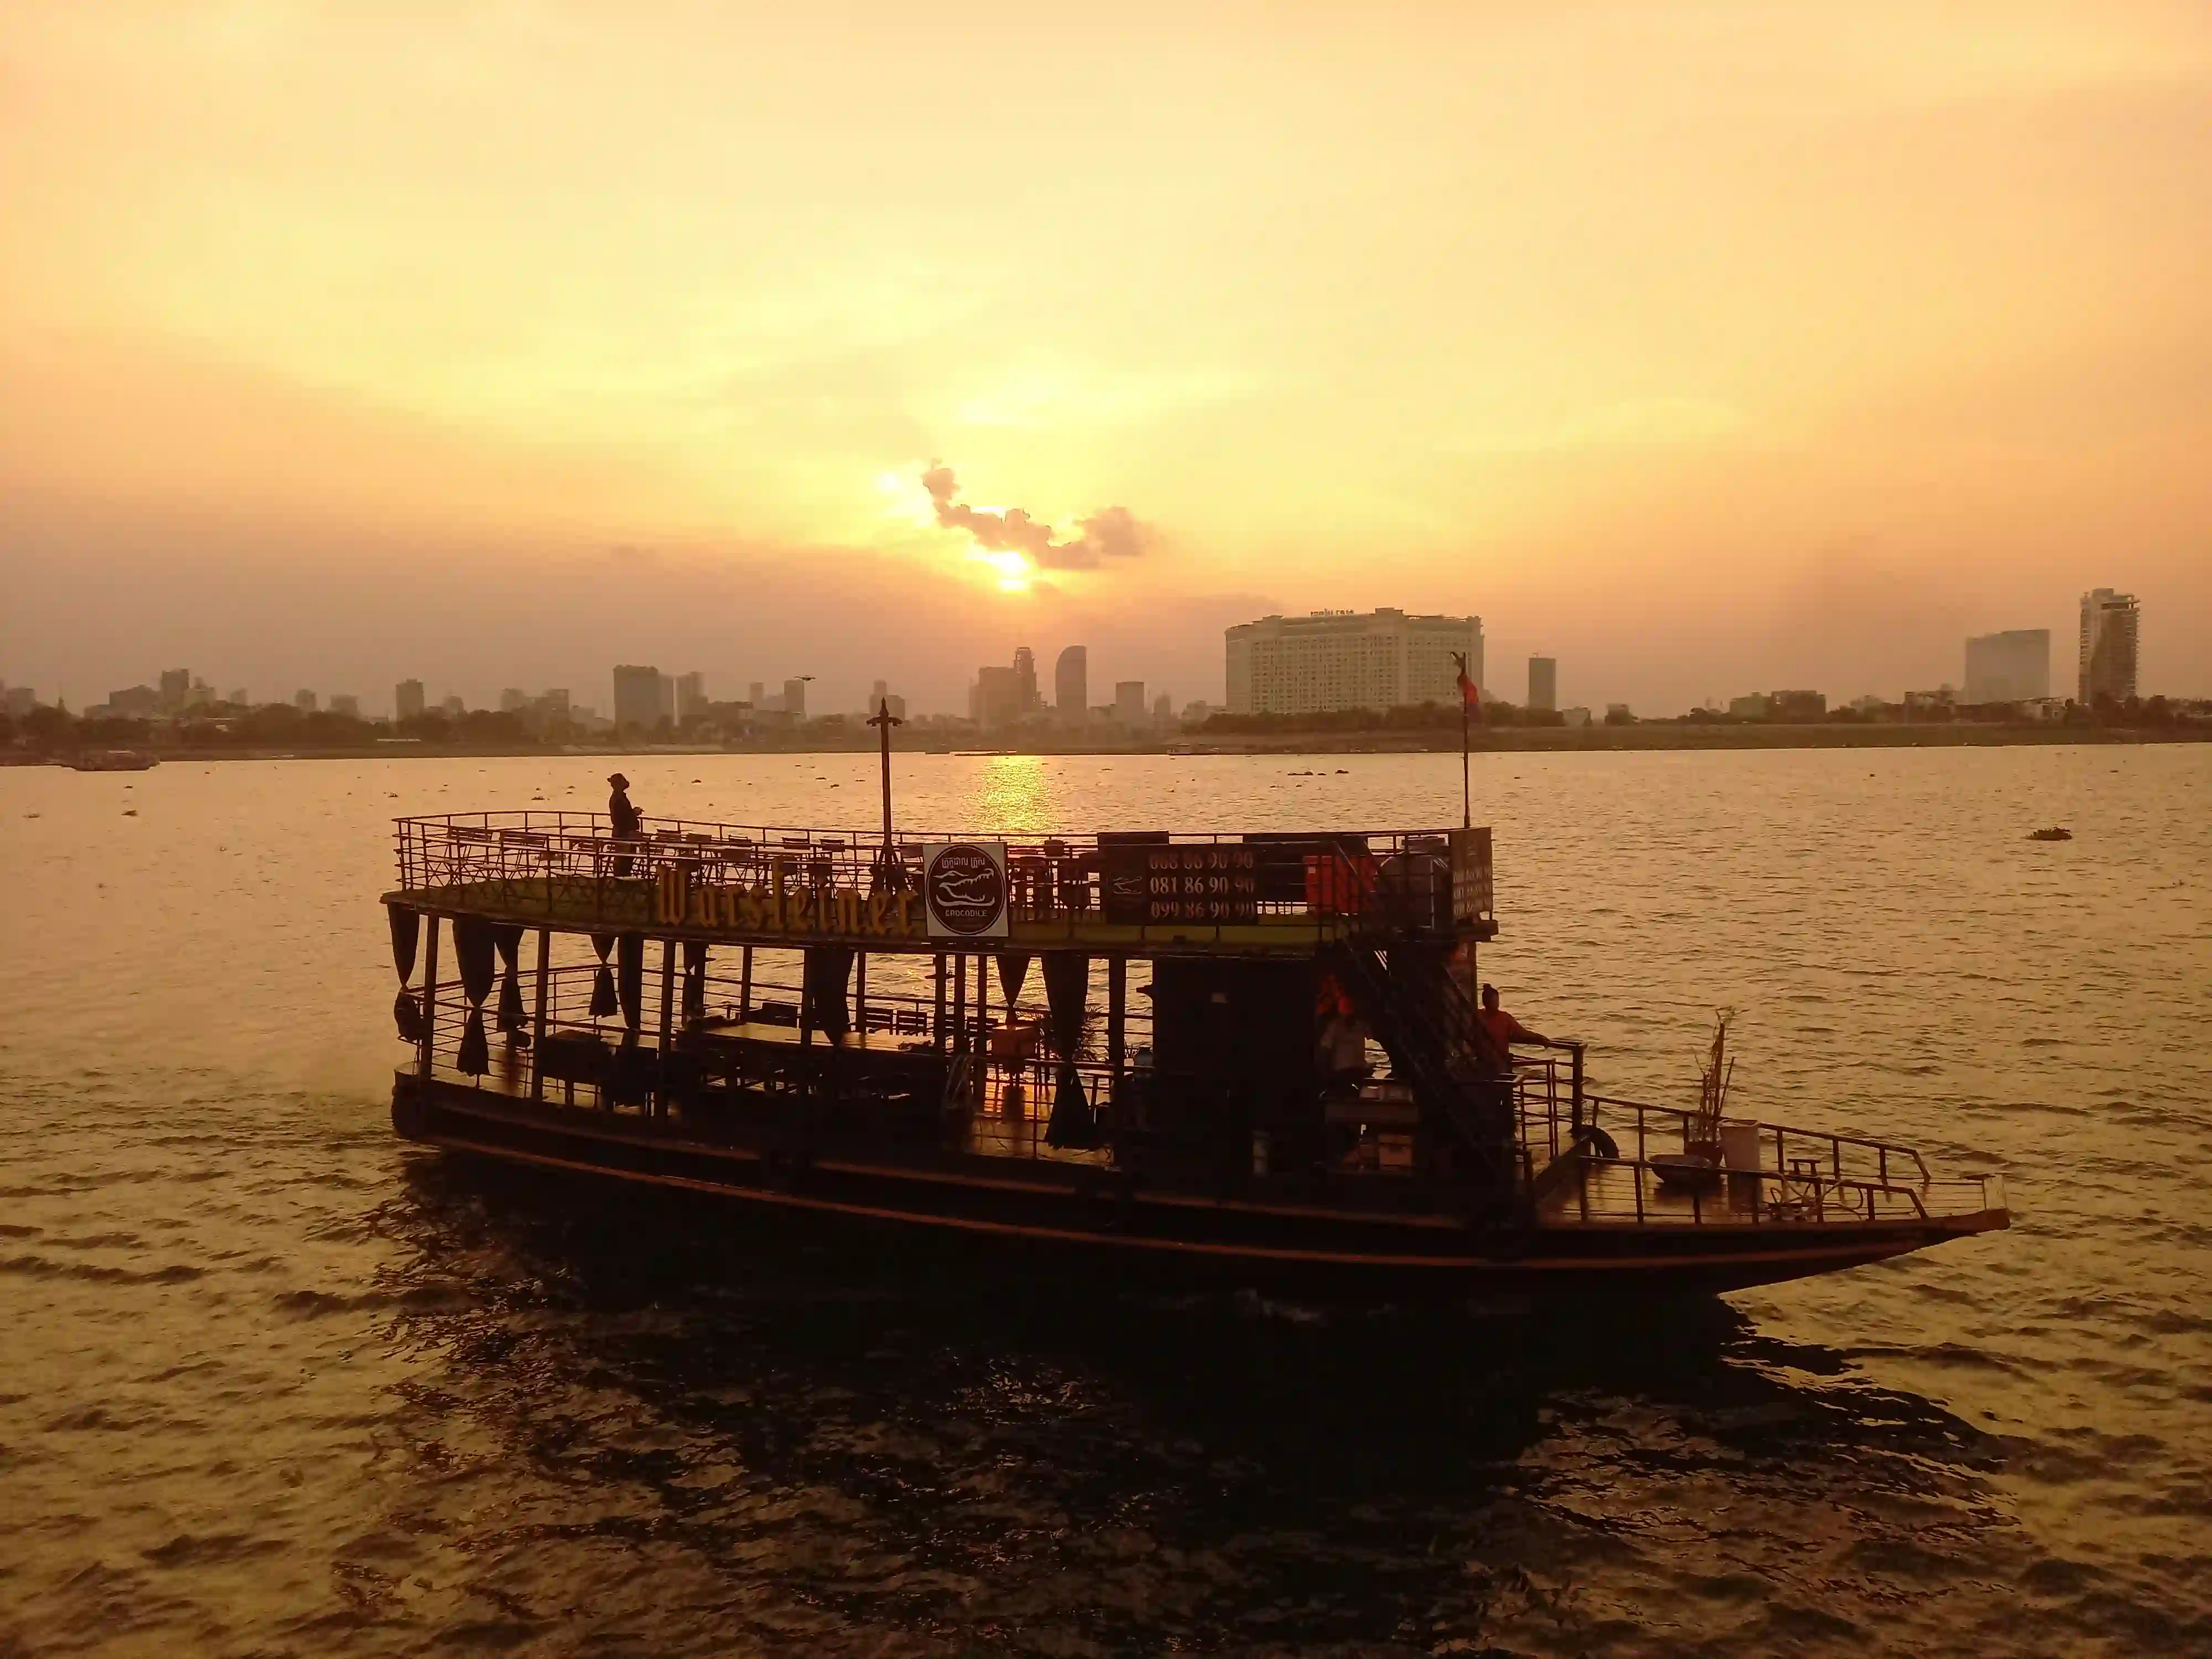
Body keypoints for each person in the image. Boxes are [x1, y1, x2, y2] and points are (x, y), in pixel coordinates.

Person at [1477, 983, 1550, 1057]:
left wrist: (1539, 1037)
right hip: (1498, 1061)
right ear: (1486, 1003)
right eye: (1495, 1002)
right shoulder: (1503, 1019)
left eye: (1497, 1001)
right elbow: (1522, 1033)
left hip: (1485, 1060)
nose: (1496, 1004)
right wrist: (1540, 1038)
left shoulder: (1478, 1016)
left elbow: (1522, 1033)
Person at [607, 773, 641, 875]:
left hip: (621, 833)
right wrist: (634, 813)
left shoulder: (617, 798)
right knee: (624, 861)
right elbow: (622, 817)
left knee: (623, 860)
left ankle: (622, 880)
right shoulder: (619, 799)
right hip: (624, 835)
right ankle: (623, 881)